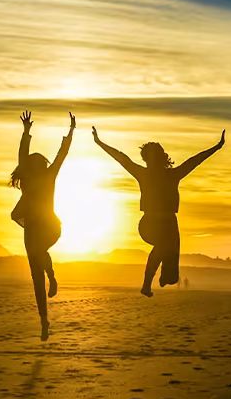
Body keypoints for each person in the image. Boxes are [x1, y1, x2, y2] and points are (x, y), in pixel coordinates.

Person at [93, 126, 224, 297]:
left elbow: (194, 161)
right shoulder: (143, 174)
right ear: (146, 159)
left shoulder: (172, 175)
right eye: (148, 158)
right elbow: (121, 158)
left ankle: (164, 277)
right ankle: (146, 285)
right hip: (150, 223)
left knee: (172, 276)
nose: (150, 161)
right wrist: (99, 142)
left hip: (169, 223)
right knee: (162, 245)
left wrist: (217, 146)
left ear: (159, 158)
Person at [9, 111, 75, 341]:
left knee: (38, 253)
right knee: (36, 279)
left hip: (49, 226)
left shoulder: (49, 176)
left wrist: (71, 133)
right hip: (32, 231)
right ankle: (44, 321)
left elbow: (61, 155)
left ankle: (53, 276)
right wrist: (26, 132)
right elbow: (22, 155)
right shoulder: (29, 178)